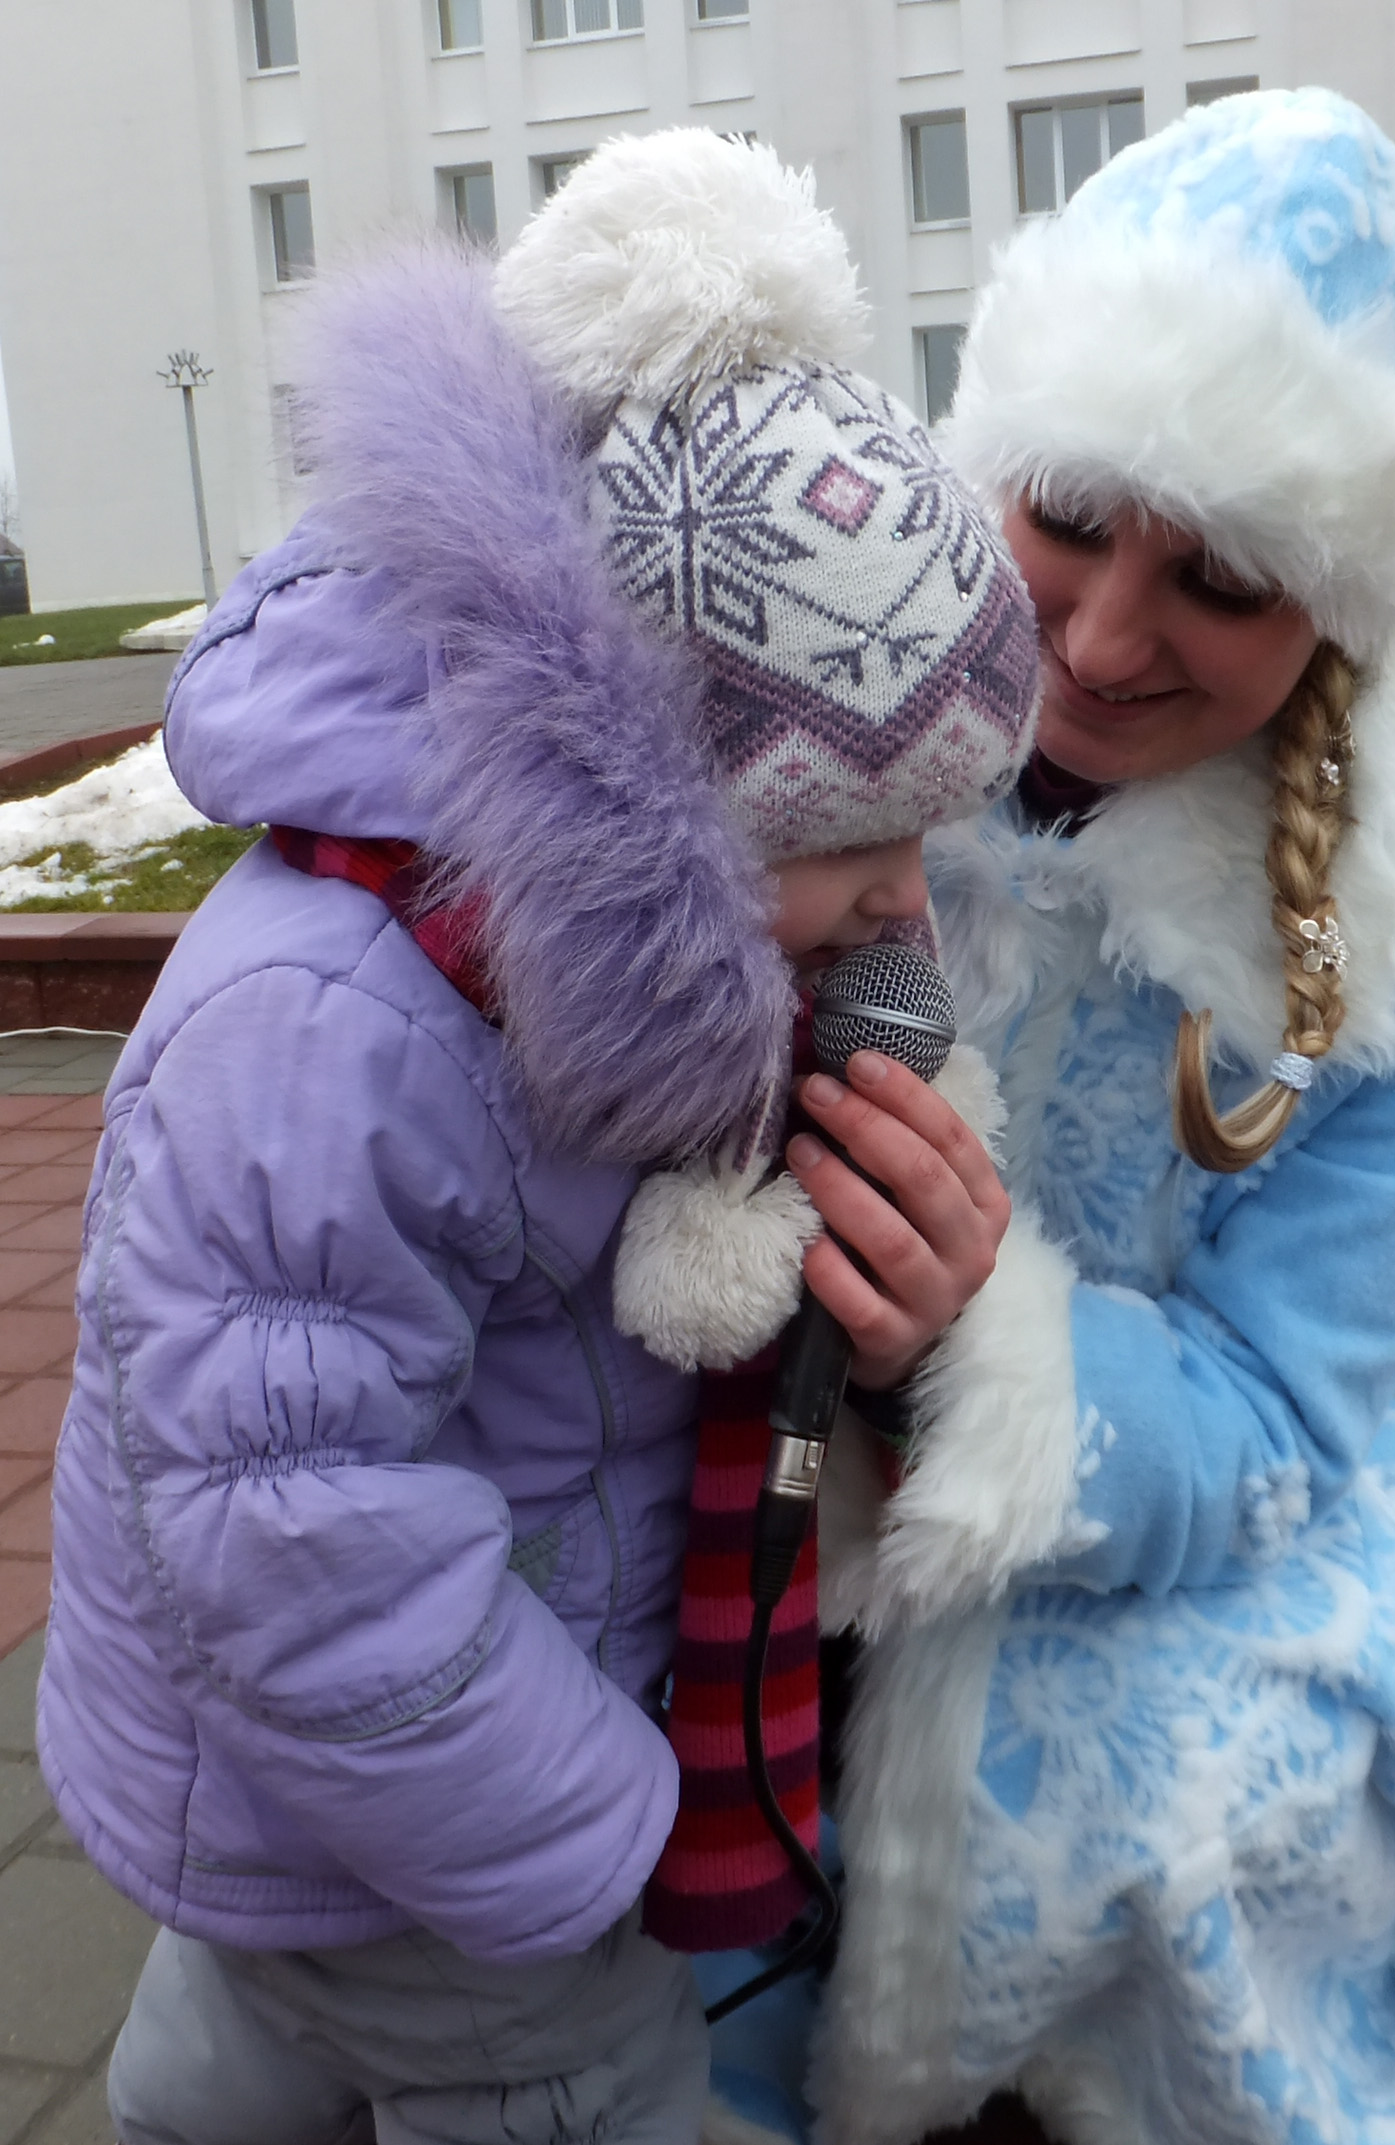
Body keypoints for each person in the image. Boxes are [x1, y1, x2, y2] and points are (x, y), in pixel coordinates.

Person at [35, 130, 1036, 2145]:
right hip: (439, 1823)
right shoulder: (336, 1035)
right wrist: (591, 1833)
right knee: (573, 2090)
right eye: (849, 835)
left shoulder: (551, 963)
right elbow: (291, 1526)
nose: (901, 896)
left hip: (345, 1798)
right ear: (644, 791)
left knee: (242, 2044)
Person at [800, 89, 1395, 2145]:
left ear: (1345, 607)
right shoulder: (810, 679)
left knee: (1179, 1806)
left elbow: (1284, 1398)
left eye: (1223, 575)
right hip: (809, 1387)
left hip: (1229, 1415)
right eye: (1068, 516)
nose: (1104, 640)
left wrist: (983, 1350)